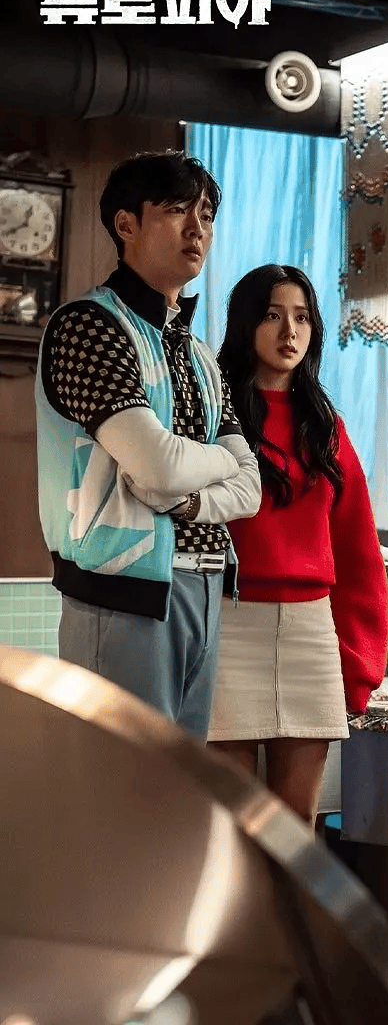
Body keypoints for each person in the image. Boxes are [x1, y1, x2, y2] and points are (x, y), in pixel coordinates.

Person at [35, 150, 261, 740]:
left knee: (180, 785)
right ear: (126, 224)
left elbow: (250, 487)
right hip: (122, 591)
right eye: (177, 210)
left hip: (206, 583)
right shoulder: (89, 325)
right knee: (121, 781)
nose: (197, 229)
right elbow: (158, 467)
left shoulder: (197, 350)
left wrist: (192, 498)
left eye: (206, 216)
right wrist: (216, 461)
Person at [208, 264, 388, 824]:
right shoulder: (213, 416)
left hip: (311, 633)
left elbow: (360, 553)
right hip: (229, 624)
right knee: (231, 826)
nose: (290, 331)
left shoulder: (326, 426)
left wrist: (359, 667)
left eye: (302, 317)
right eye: (272, 315)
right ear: (245, 324)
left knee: (295, 826)